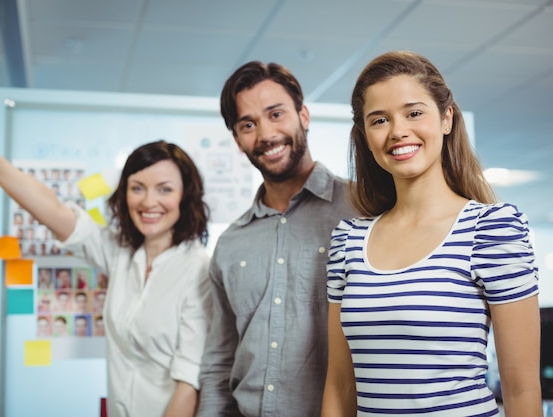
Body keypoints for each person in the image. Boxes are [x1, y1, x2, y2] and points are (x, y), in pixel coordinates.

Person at [0, 83, 212, 417]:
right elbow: (54, 211)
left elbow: (190, 384)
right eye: (137, 188)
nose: (149, 202)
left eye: (164, 189)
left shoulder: (200, 271)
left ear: (186, 197)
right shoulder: (122, 253)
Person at [322, 51, 541, 417]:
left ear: (446, 118)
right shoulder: (348, 241)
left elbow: (521, 390)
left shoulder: (492, 230)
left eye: (414, 112)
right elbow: (340, 385)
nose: (397, 131)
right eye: (379, 120)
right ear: (365, 135)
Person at [197, 61, 356, 417]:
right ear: (237, 140)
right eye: (248, 124)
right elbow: (220, 360)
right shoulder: (231, 243)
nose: (266, 134)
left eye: (276, 114)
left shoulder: (362, 211)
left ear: (304, 115)